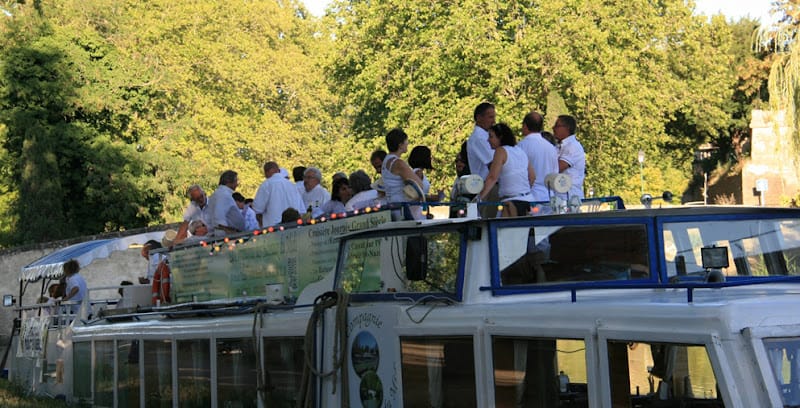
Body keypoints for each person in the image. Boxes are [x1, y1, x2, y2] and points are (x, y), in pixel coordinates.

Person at [477, 123, 535, 217]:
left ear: (500, 137)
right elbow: (532, 177)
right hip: (528, 200)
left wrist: (479, 198)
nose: (488, 140)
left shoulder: (500, 151)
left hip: (511, 203)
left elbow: (492, 177)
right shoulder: (520, 151)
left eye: (491, 137)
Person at [382, 128, 425, 220]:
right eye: (406, 142)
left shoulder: (386, 161)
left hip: (391, 204)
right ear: (400, 145)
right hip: (403, 207)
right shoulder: (398, 163)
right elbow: (419, 185)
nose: (407, 144)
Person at [518, 111, 559, 202]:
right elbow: (555, 173)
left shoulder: (521, 146)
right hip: (549, 196)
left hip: (530, 195)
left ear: (525, 126)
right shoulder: (551, 147)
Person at [253, 161, 306, 227]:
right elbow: (302, 210)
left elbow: (257, 209)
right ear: (278, 170)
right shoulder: (291, 185)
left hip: (274, 228)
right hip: (294, 226)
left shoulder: (266, 184)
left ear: (267, 171)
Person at [553, 115, 586, 199]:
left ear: (566, 128)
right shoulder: (558, 146)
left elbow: (557, 167)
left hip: (569, 198)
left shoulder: (573, 146)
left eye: (557, 126)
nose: (553, 128)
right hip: (559, 196)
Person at [206, 170, 246, 236]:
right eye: (236, 181)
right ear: (229, 182)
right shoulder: (223, 195)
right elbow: (219, 217)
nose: (237, 184)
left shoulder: (216, 195)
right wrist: (225, 233)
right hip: (228, 234)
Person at [467, 102, 496, 180]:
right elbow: (494, 164)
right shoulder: (479, 138)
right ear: (479, 118)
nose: (494, 121)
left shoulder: (486, 135)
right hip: (487, 184)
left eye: (494, 117)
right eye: (490, 117)